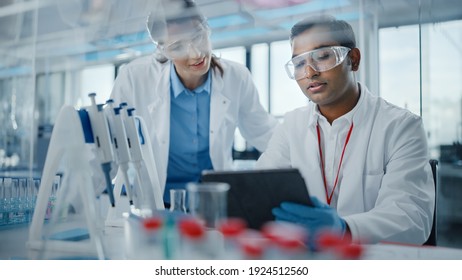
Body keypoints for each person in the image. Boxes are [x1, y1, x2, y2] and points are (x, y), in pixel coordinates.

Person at [255, 15, 434, 245]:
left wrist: (344, 229)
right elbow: (260, 192)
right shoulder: (291, 126)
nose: (310, 72)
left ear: (354, 60)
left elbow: (412, 218)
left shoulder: (401, 127)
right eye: (299, 63)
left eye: (322, 56)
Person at [110, 0, 278, 206]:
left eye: (197, 37)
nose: (195, 54)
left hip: (213, 202)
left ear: (207, 28)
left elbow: (265, 135)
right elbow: (109, 144)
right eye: (177, 46)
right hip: (155, 203)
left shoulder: (236, 77)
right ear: (162, 50)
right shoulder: (134, 78)